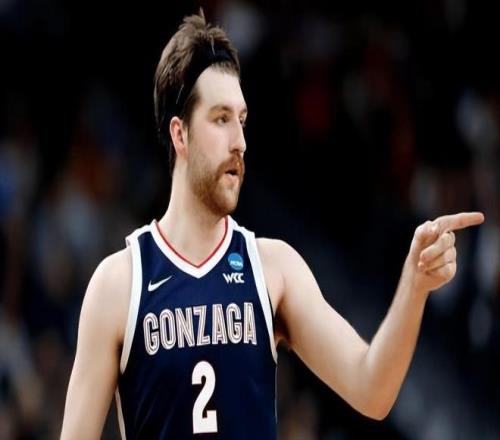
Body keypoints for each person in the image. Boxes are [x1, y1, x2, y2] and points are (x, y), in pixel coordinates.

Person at [60, 10, 485, 440]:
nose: (240, 142)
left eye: (242, 120)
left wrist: (414, 286)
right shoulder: (118, 285)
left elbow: (372, 390)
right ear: (180, 134)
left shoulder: (273, 268)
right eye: (221, 119)